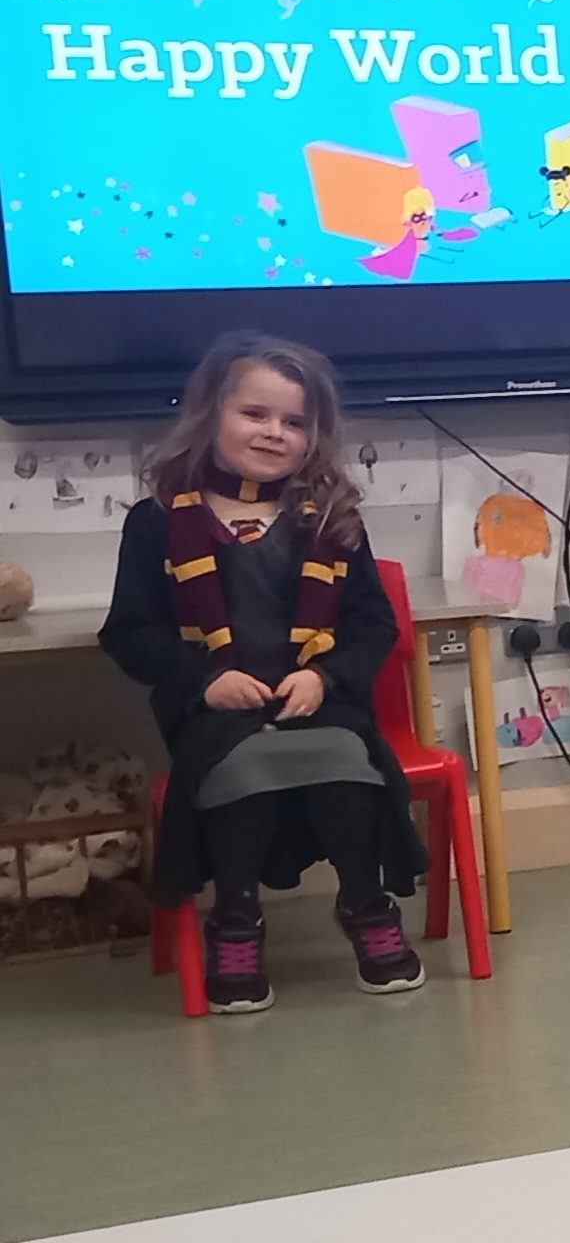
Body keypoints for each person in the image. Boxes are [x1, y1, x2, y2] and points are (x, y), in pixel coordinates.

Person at [100, 332, 430, 1014]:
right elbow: (131, 632)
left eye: (294, 422)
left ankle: (366, 903)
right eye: (255, 413)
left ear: (314, 435)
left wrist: (325, 678)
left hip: (320, 703)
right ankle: (237, 917)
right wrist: (203, 679)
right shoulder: (157, 522)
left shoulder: (332, 520)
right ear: (210, 413)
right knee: (242, 772)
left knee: (350, 766)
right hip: (214, 712)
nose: (275, 432)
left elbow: (372, 625)